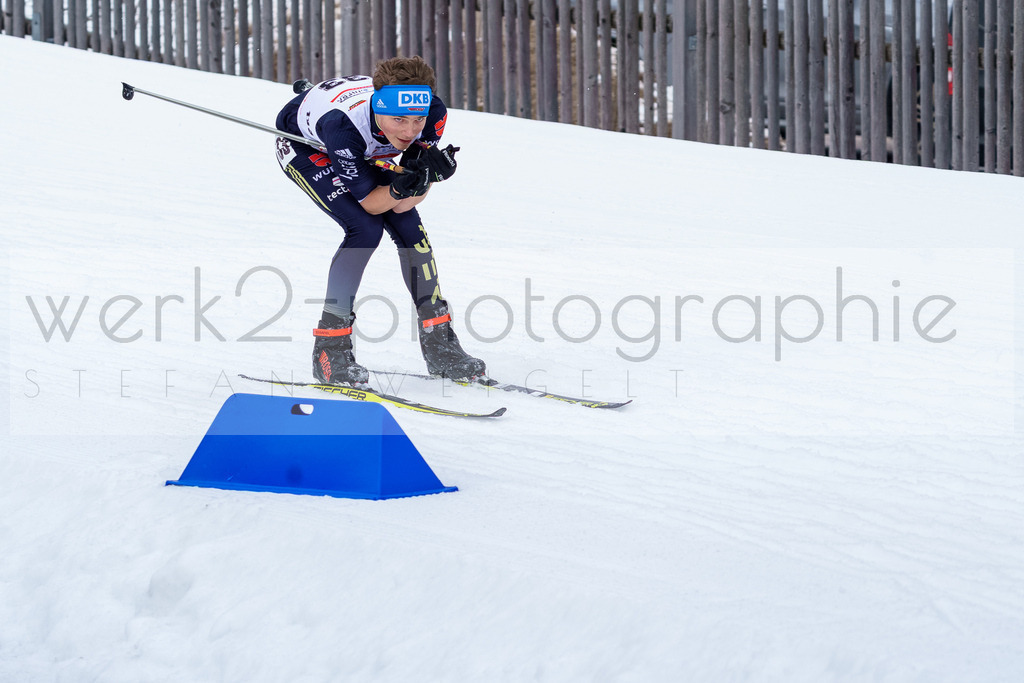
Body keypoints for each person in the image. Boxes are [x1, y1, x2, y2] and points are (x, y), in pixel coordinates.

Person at [274, 56, 485, 386]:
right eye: (399, 119)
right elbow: (373, 205)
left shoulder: (433, 114)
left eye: (417, 120)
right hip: (308, 146)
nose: (409, 131)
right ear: (377, 107)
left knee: (410, 229)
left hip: (367, 148)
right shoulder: (342, 127)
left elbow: (403, 205)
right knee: (364, 228)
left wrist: (425, 177)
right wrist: (404, 185)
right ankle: (330, 349)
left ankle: (441, 346)